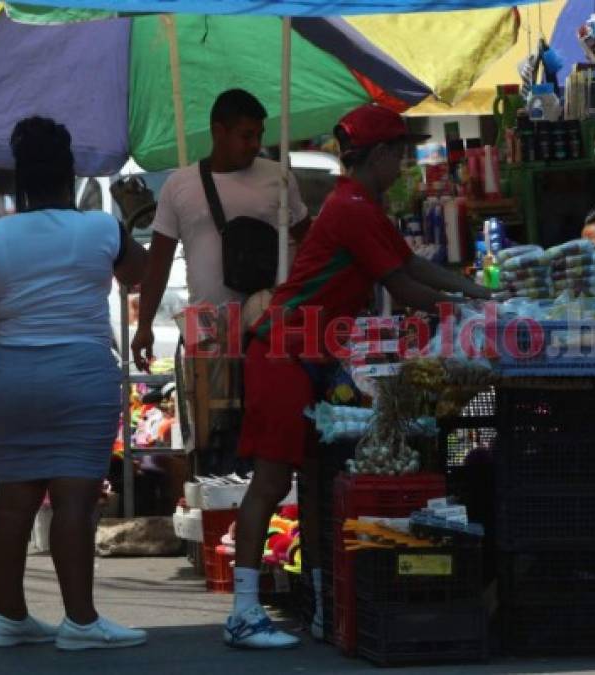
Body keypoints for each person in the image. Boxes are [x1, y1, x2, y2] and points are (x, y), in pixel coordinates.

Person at [224, 104, 491, 649]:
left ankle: (323, 605)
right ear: (385, 154)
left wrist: (479, 293)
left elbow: (415, 268)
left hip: (307, 357)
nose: (405, 165)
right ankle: (243, 611)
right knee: (271, 484)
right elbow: (409, 286)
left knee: (315, 480)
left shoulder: (357, 203)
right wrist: (472, 309)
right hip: (285, 354)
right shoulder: (352, 208)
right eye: (402, 153)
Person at [0, 117, 149, 650]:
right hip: (81, 374)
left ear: (21, 177)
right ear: (69, 175)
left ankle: (9, 617)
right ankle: (81, 621)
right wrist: (135, 215)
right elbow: (141, 273)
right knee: (73, 498)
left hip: (11, 377)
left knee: (13, 496)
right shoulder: (100, 228)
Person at [131, 88, 311, 366]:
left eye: (259, 135)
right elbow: (158, 262)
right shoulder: (178, 185)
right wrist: (144, 326)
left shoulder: (280, 178)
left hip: (269, 323)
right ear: (218, 132)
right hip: (203, 324)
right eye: (246, 135)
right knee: (206, 407)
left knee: (266, 406)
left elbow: (310, 244)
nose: (255, 144)